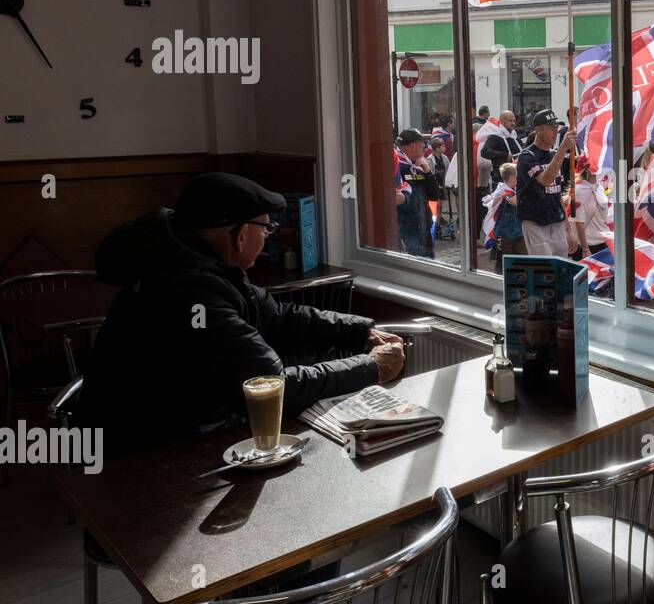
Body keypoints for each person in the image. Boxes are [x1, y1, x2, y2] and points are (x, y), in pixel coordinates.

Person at [78, 173, 405, 454]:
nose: (267, 236)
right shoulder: (188, 292)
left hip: (178, 432)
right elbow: (271, 388)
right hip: (147, 460)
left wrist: (358, 331)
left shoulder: (196, 262)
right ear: (239, 233)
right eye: (266, 227)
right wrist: (370, 367)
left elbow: (278, 315)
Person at [516, 108, 578, 257]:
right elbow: (545, 180)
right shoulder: (527, 156)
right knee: (545, 270)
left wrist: (568, 228)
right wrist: (563, 148)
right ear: (538, 130)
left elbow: (556, 193)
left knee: (561, 266)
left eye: (557, 127)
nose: (555, 132)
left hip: (556, 221)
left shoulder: (553, 155)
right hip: (535, 222)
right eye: (551, 128)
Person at [394, 128, 436, 257]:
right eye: (422, 142)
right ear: (412, 145)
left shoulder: (419, 166)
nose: (424, 146)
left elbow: (434, 195)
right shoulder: (397, 166)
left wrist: (428, 172)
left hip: (423, 226)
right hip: (408, 229)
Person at [482, 163, 526, 270]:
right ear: (511, 177)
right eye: (518, 175)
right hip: (504, 234)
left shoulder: (513, 189)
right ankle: (500, 282)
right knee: (503, 261)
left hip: (518, 232)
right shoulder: (503, 191)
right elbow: (513, 201)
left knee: (521, 260)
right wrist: (525, 187)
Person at [572, 156, 612, 256]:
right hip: (589, 246)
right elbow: (578, 223)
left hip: (604, 242)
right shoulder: (579, 191)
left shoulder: (599, 188)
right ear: (587, 171)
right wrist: (586, 249)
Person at [480, 110, 523, 184]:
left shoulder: (514, 136)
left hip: (517, 178)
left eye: (514, 121)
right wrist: (504, 155)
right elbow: (484, 152)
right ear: (502, 121)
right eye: (510, 121)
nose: (513, 123)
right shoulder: (495, 136)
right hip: (501, 180)